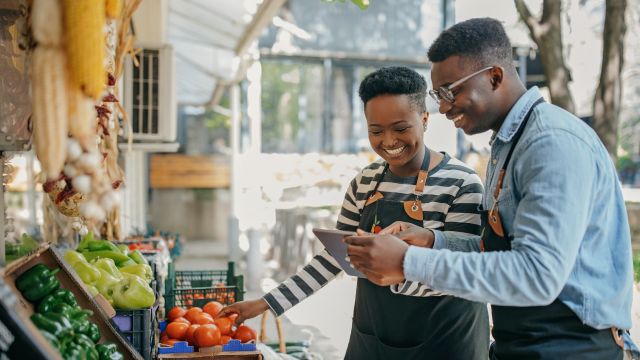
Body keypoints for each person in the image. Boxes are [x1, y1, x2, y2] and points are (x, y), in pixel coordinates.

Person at [344, 18, 640, 360]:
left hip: (572, 350)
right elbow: (502, 254)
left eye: (450, 91)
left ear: (494, 76)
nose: (442, 107)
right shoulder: (509, 144)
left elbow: (537, 274)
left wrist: (410, 262)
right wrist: (434, 241)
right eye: (438, 95)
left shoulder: (551, 143)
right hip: (522, 346)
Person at [216, 66, 490, 359]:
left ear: (424, 120)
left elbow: (465, 272)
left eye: (400, 128)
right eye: (376, 131)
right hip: (375, 335)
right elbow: (334, 258)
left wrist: (398, 271)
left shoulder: (462, 183)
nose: (388, 141)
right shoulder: (365, 182)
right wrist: (267, 303)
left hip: (445, 339)